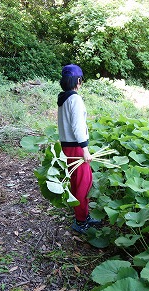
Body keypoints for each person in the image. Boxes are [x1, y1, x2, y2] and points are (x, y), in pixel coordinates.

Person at [57, 64, 101, 234]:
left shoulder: (63, 98)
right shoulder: (74, 99)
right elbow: (77, 126)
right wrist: (85, 149)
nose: (81, 83)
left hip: (67, 147)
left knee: (77, 183)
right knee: (83, 183)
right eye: (80, 80)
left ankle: (83, 215)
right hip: (76, 147)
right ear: (77, 80)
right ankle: (81, 221)